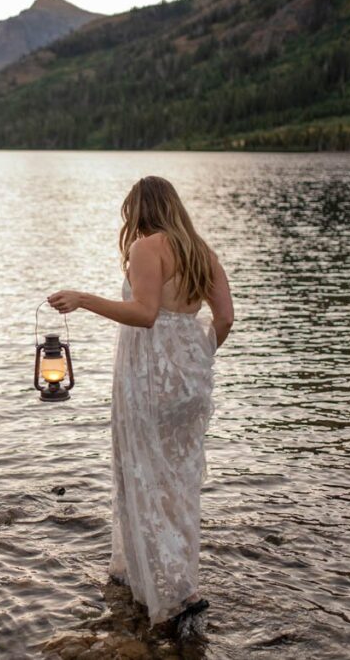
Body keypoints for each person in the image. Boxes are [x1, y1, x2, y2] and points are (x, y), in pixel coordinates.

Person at [48, 176, 234, 626]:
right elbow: (225, 317)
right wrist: (199, 353)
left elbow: (145, 314)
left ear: (138, 211)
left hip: (149, 376)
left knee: (142, 473)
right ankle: (171, 578)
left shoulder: (147, 247)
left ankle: (167, 592)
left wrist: (84, 299)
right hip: (190, 378)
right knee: (179, 482)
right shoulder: (201, 251)